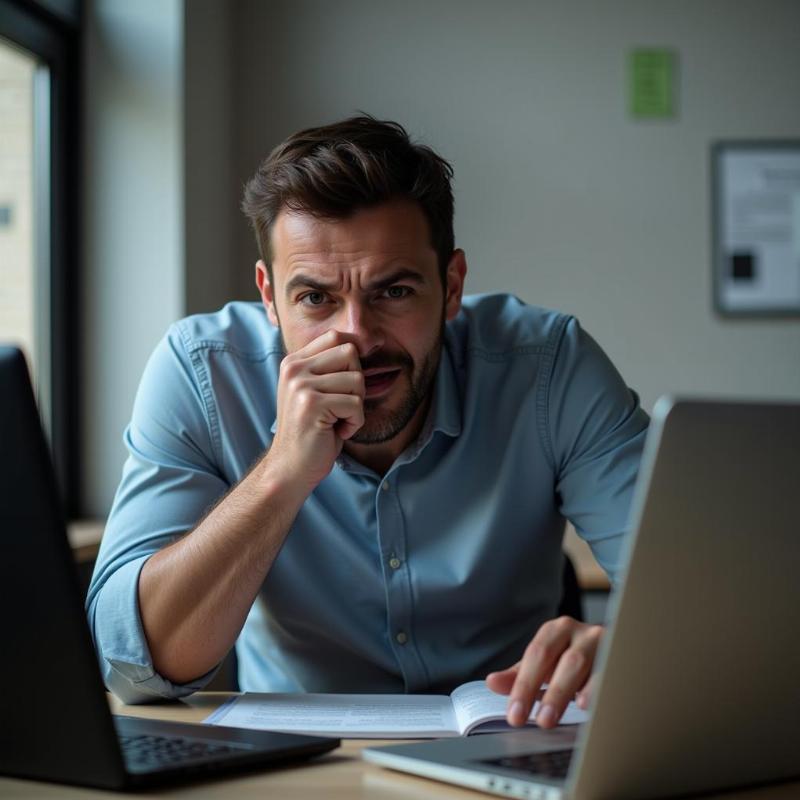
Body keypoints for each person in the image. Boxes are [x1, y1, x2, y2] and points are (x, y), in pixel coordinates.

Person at [87, 115, 648, 729]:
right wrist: (281, 472)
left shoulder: (549, 368)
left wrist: (624, 649)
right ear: (269, 296)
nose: (356, 334)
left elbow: (707, 604)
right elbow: (134, 666)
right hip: (294, 766)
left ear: (451, 285)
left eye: (394, 291)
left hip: (510, 740)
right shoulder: (201, 373)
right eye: (315, 298)